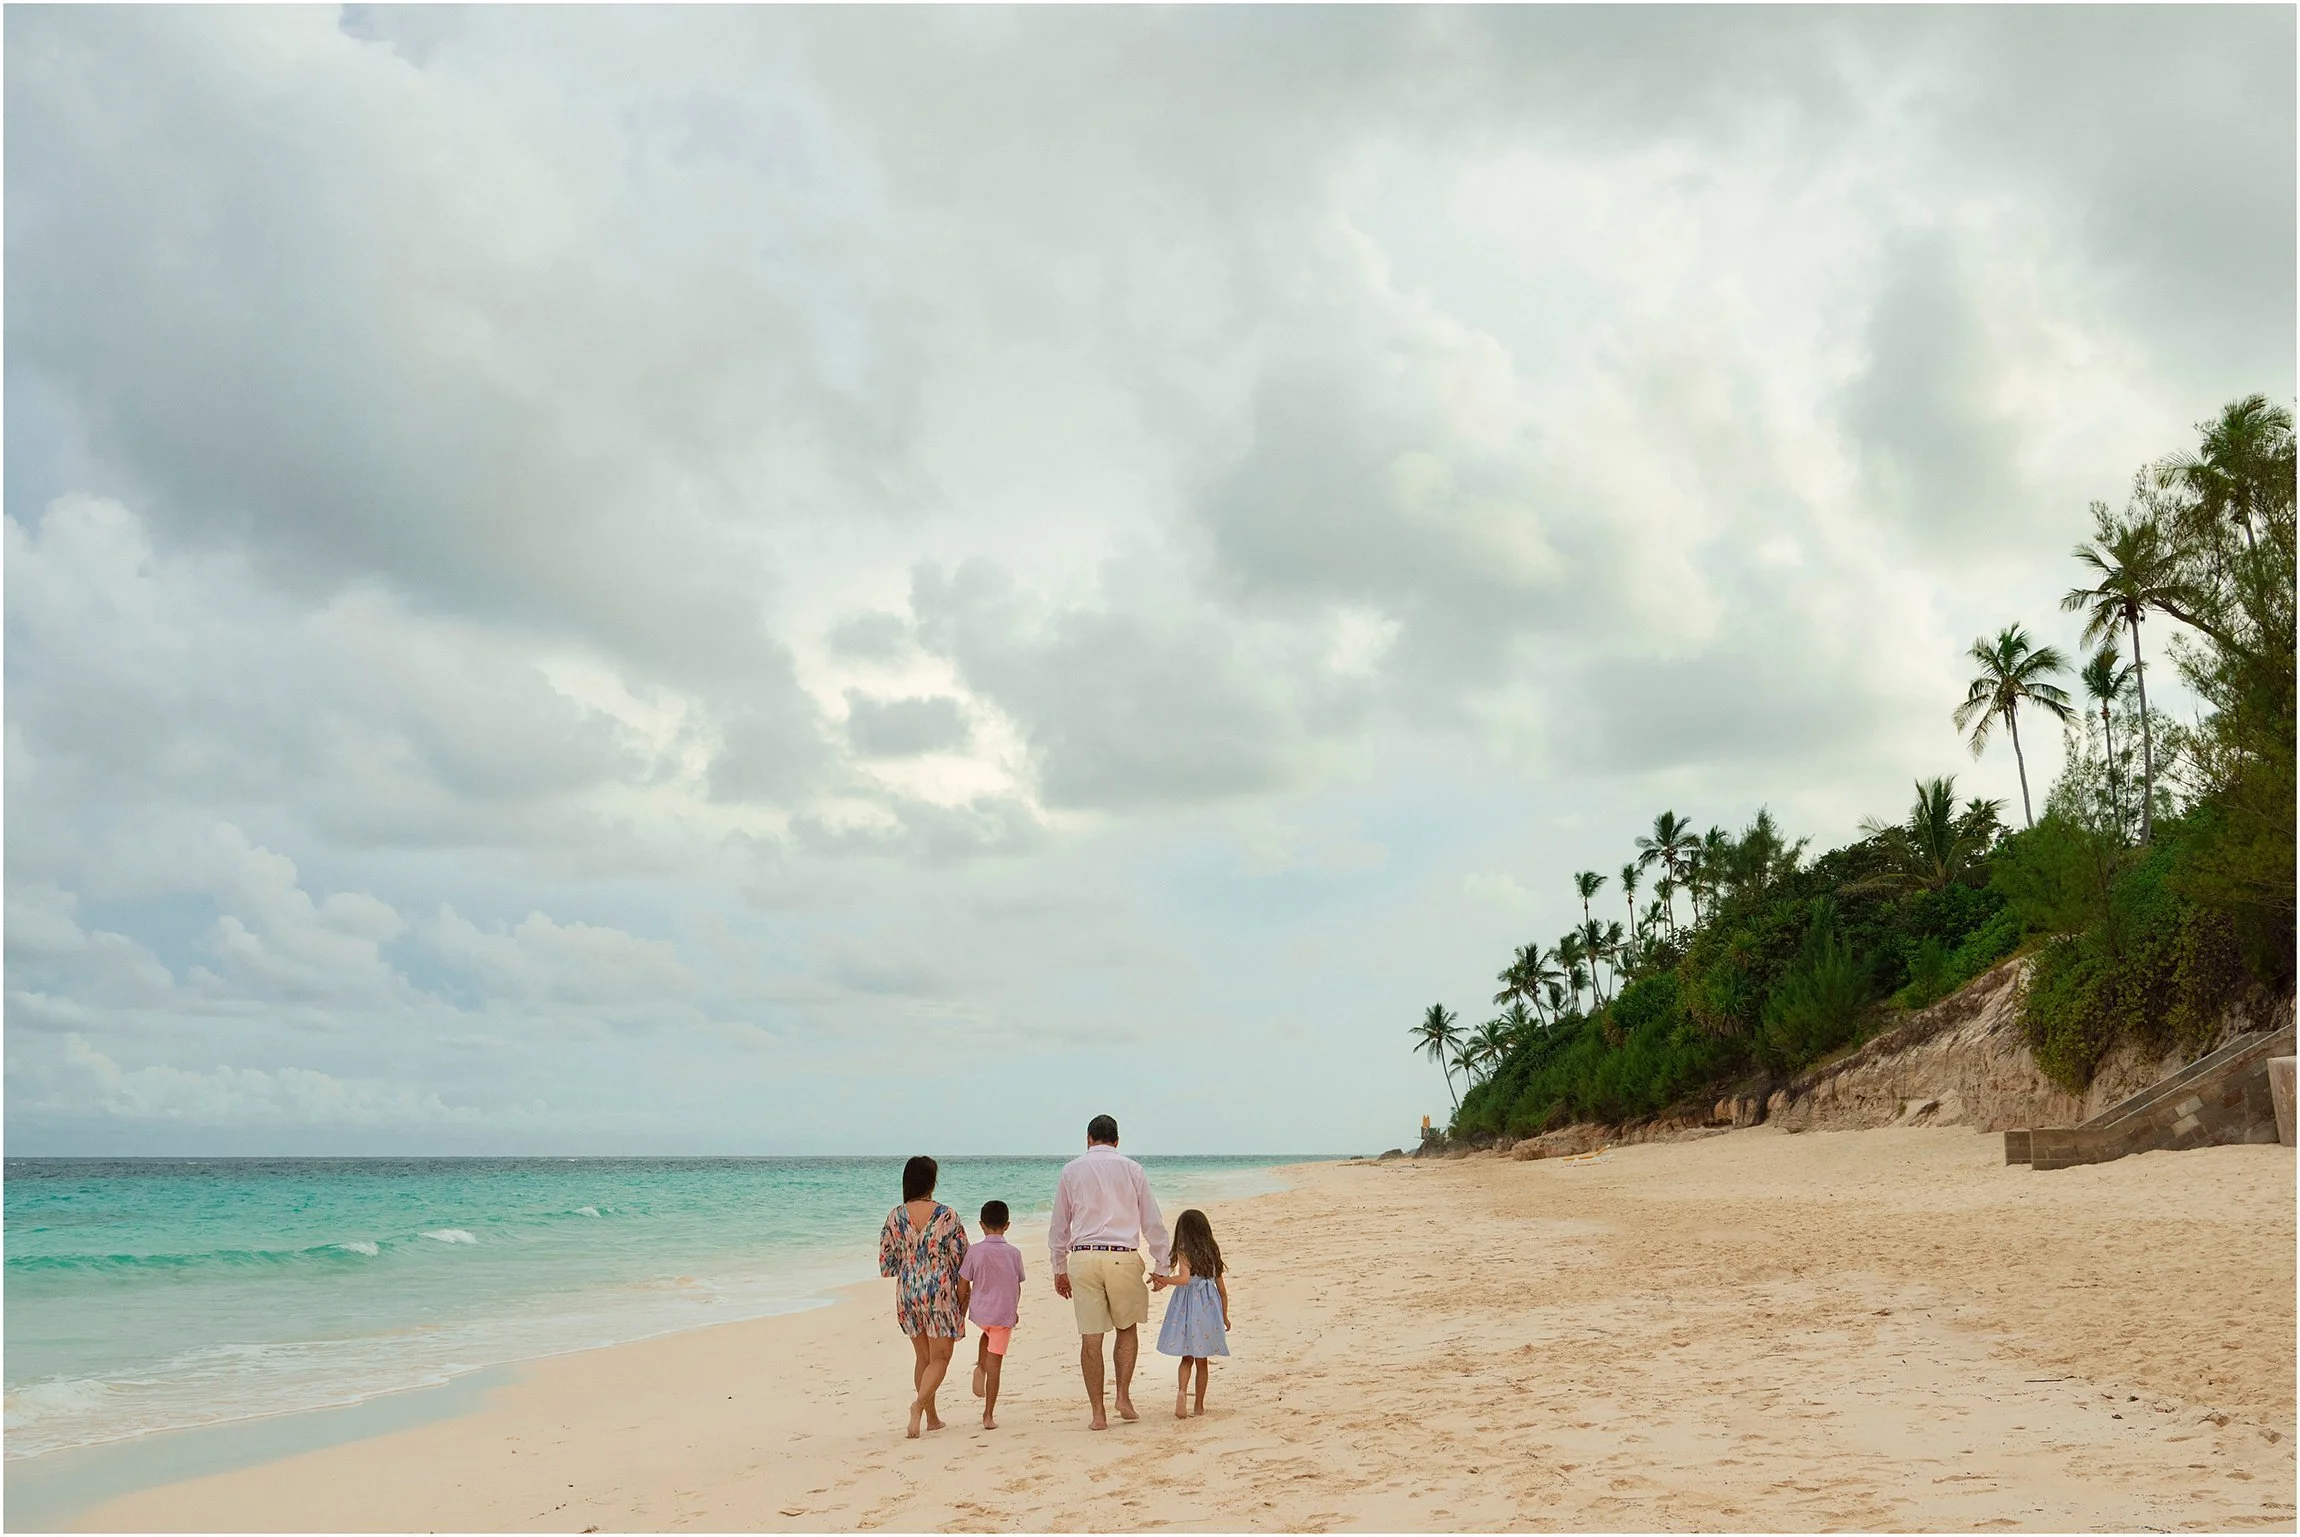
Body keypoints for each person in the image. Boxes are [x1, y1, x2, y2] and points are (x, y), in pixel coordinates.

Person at [1047, 1114, 1170, 1430]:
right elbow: (1151, 1221)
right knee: (1126, 1329)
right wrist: (1162, 1264)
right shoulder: (1132, 1169)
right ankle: (1123, 1397)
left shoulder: (1071, 1171)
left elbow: (1060, 1225)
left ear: (1088, 1139)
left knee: (1091, 1338)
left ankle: (1097, 1413)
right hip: (1121, 1256)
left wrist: (1059, 1268)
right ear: (1116, 1140)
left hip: (1085, 1257)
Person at [878, 1155, 969, 1439]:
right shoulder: (947, 1215)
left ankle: (932, 1419)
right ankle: (918, 1407)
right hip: (938, 1289)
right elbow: (962, 1259)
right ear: (932, 1181)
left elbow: (887, 1263)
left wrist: (910, 1262)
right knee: (941, 1358)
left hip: (907, 1291)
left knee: (923, 1357)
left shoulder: (895, 1216)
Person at [1150, 1208, 1230, 1418]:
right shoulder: (1213, 1252)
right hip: (1207, 1308)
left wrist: (1164, 1280)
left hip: (1187, 1306)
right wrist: (1224, 1315)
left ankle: (1182, 1392)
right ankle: (1199, 1406)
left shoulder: (1184, 1251)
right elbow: (1222, 1290)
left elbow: (1184, 1279)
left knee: (1186, 1357)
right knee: (1202, 1360)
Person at [958, 1200, 1024, 1429]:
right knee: (996, 1364)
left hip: (980, 1312)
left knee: (987, 1333)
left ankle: (980, 1367)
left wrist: (959, 1307)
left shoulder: (975, 1250)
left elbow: (963, 1283)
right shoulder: (1014, 1253)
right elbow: (1017, 1284)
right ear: (1007, 1225)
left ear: (981, 1225)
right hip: (1002, 1314)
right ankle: (988, 1415)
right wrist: (1014, 1309)